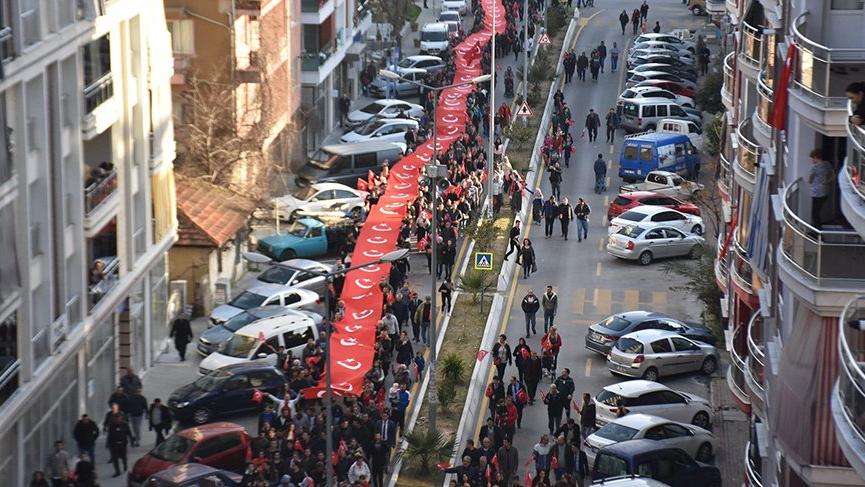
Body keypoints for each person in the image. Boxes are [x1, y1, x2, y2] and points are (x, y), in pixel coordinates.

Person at [808, 148, 835, 227]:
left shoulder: (814, 167)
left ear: (815, 157)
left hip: (816, 192)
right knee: (817, 210)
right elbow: (833, 176)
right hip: (825, 191)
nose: (812, 160)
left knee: (815, 213)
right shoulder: (827, 164)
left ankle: (817, 230)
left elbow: (810, 180)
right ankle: (818, 228)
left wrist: (811, 180)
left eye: (812, 158)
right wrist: (827, 182)